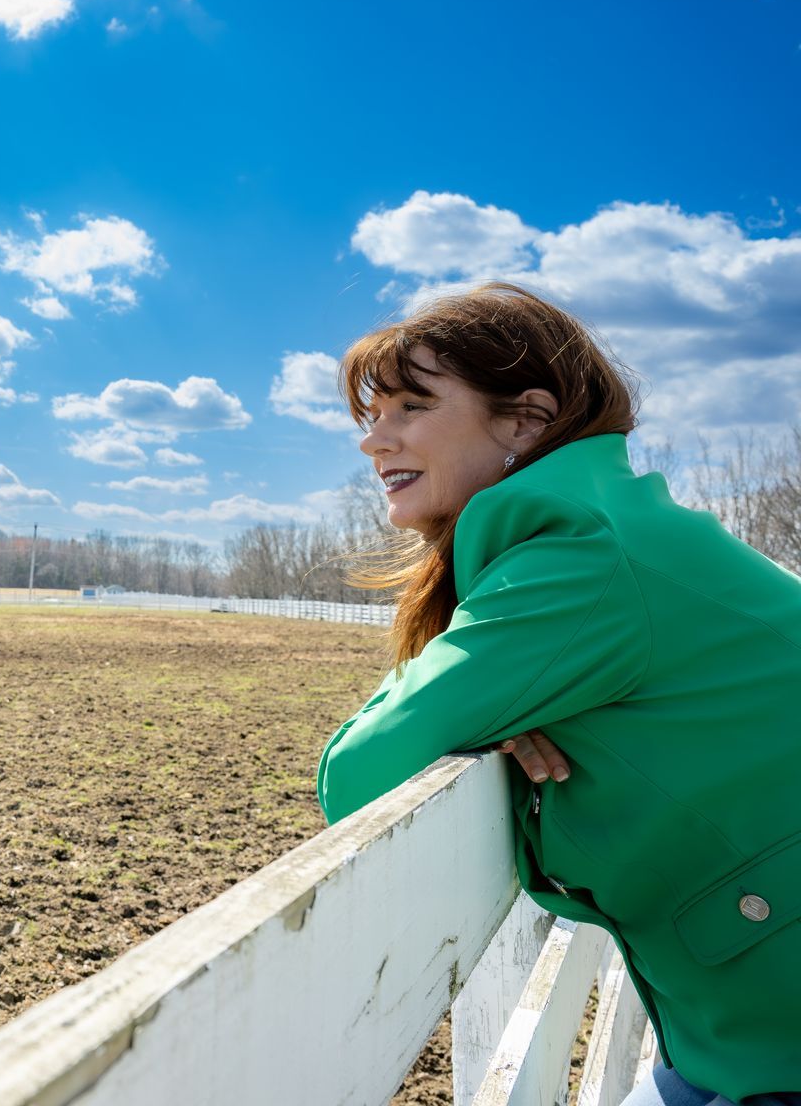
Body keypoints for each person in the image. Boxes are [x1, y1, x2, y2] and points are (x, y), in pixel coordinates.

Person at [313, 282, 801, 1106]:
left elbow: (355, 776)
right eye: (372, 412)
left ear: (527, 419)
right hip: (737, 1029)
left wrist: (482, 708)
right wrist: (500, 717)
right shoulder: (619, 528)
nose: (374, 440)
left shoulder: (581, 557)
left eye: (410, 405)